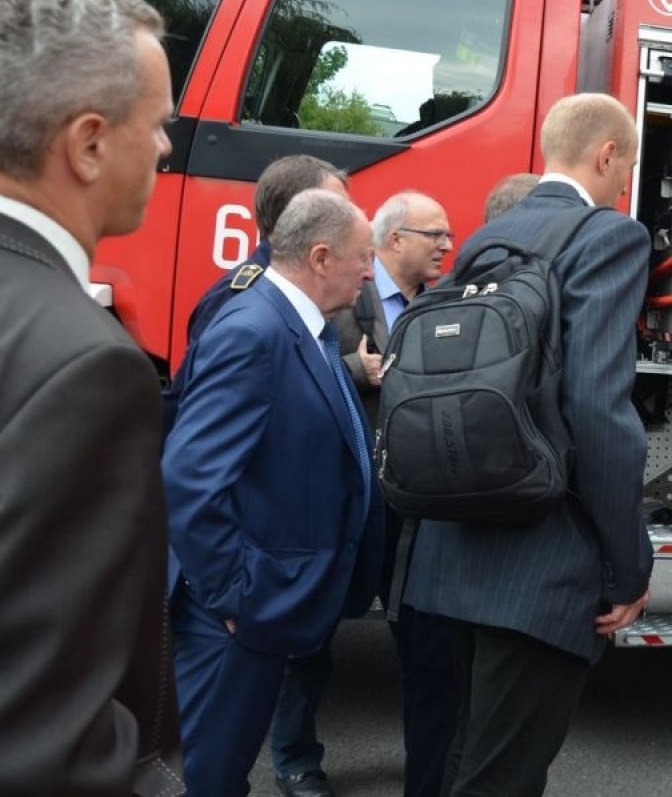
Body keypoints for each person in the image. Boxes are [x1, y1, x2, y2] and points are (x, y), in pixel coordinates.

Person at [402, 92, 653, 796]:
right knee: (503, 779)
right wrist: (630, 567)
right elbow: (598, 412)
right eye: (626, 166)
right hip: (540, 569)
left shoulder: (490, 237)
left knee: (459, 764)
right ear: (607, 155)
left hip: (454, 552)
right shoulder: (607, 236)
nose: (623, 181)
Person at [0, 0, 184, 793]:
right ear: (87, 143)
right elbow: (50, 741)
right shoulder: (86, 365)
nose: (167, 147)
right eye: (157, 123)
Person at [164, 189, 386, 796]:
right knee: (212, 776)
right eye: (363, 256)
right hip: (235, 617)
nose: (371, 271)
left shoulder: (298, 327)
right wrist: (235, 596)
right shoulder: (254, 329)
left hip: (265, 606)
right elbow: (192, 474)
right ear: (320, 257)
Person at [317, 189, 460, 797]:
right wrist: (354, 370)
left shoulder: (445, 306)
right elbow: (287, 371)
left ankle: (426, 765)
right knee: (313, 639)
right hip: (346, 501)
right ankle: (295, 758)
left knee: (423, 645)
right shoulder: (342, 297)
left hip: (411, 506)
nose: (449, 247)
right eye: (437, 235)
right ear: (394, 240)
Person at [163, 152, 348, 435]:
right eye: (336, 212)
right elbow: (205, 429)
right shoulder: (238, 299)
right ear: (294, 218)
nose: (349, 223)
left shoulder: (303, 292)